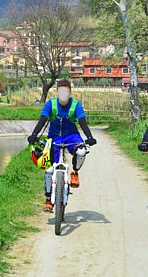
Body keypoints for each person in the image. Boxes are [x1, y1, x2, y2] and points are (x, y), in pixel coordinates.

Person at [27, 79, 97, 212]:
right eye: (61, 91)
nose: (63, 94)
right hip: (54, 137)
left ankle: (74, 173)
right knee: (48, 170)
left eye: (66, 91)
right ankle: (48, 200)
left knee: (81, 151)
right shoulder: (51, 104)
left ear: (70, 92)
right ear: (57, 92)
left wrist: (90, 137)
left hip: (71, 135)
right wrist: (34, 134)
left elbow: (82, 122)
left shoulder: (75, 105)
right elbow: (42, 120)